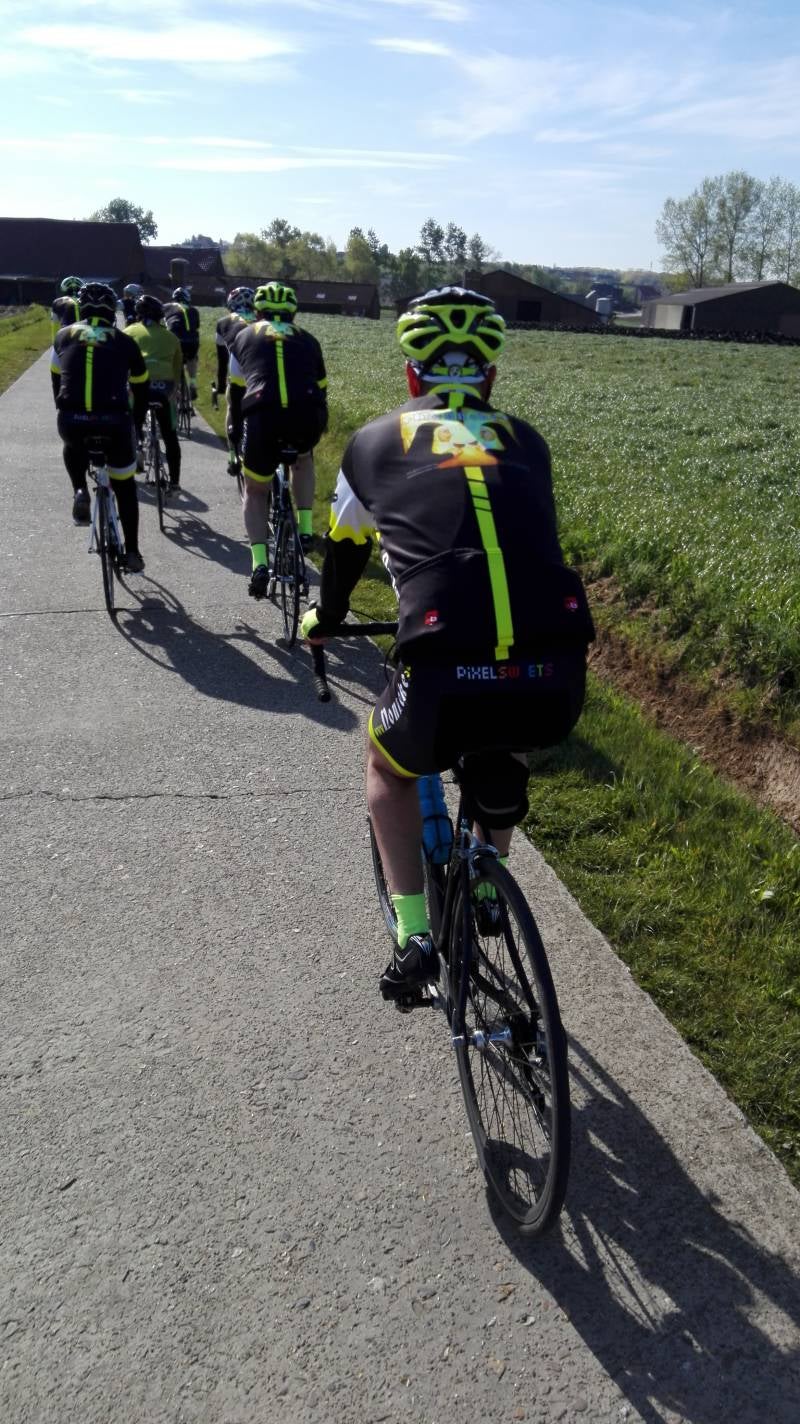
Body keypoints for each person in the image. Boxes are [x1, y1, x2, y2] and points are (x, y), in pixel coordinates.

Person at [300, 287, 594, 999]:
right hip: (556, 673)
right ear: (490, 377)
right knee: (507, 732)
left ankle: (413, 938)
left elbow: (347, 547)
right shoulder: (528, 442)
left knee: (388, 765)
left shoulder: (374, 442)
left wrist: (326, 618)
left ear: (412, 375)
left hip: (442, 665)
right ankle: (490, 890)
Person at [226, 282, 328, 594]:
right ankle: (306, 530)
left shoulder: (243, 336)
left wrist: (235, 434)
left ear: (258, 312)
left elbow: (236, 392)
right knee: (302, 460)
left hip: (263, 417)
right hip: (306, 414)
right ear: (293, 313)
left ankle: (259, 564)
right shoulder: (309, 339)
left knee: (256, 490)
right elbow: (322, 389)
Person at [50, 281, 150, 570]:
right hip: (114, 422)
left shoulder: (63, 336)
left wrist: (64, 408)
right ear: (111, 312)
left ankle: (80, 490)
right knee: (125, 486)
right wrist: (137, 423)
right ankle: (132, 551)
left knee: (71, 446)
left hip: (73, 421)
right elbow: (141, 388)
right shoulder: (125, 342)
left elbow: (57, 380)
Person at [126, 294, 183, 491]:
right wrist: (174, 391)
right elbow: (177, 369)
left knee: (132, 422)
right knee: (170, 435)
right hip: (164, 387)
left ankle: (137, 445)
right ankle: (174, 482)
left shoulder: (128, 332)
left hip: (138, 385)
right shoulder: (172, 337)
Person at [215, 286, 257, 476]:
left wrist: (221, 386)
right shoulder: (262, 320)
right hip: (262, 374)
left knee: (233, 407)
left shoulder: (223, 322)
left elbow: (222, 359)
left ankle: (232, 455)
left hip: (238, 372)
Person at [163, 286, 200, 400]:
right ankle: (193, 383)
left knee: (171, 361)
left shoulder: (166, 307)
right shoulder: (194, 310)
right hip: (192, 341)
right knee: (192, 357)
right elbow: (197, 326)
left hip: (175, 339)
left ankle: (175, 389)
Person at [50, 276, 83, 343]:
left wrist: (54, 343)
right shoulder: (86, 301)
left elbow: (55, 325)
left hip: (66, 334)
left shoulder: (57, 302)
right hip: (84, 334)